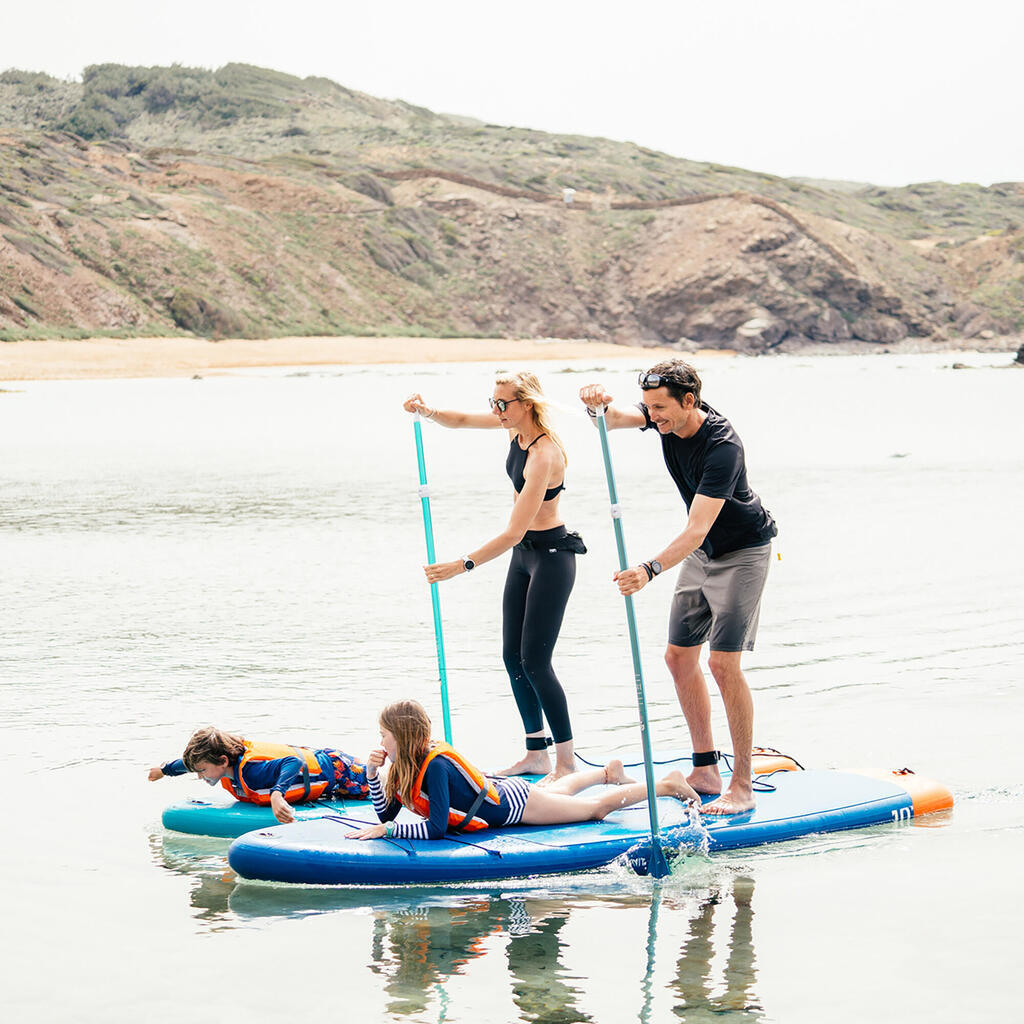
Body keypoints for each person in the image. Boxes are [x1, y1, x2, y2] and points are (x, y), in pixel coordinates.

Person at [579, 360, 777, 815]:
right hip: (702, 554)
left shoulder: (722, 446)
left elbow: (696, 528)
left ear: (690, 401)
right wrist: (596, 406)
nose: (655, 418)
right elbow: (612, 420)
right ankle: (705, 768)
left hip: (742, 553)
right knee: (677, 657)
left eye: (661, 409)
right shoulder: (665, 411)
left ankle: (742, 785)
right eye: (650, 408)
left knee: (724, 664)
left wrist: (648, 569)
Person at [403, 372, 584, 782]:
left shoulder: (544, 454)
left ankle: (567, 763)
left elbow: (514, 530)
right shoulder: (514, 432)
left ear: (527, 404)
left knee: (537, 662)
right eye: (494, 402)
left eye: (504, 404)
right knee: (511, 657)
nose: (496, 410)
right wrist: (427, 411)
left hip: (552, 557)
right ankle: (536, 753)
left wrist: (461, 564)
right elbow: (464, 421)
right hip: (524, 557)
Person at [346, 700, 699, 841]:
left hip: (516, 805)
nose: (380, 742)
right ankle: (607, 772)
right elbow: (386, 812)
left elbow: (437, 828)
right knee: (558, 793)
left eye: (384, 736)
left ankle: (666, 784)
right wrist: (372, 777)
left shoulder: (434, 766)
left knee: (596, 810)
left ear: (403, 737)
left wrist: (390, 833)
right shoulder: (401, 768)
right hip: (511, 795)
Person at [148, 726, 369, 823]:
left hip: (340, 771)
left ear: (223, 761)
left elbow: (293, 762)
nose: (199, 775)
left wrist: (276, 795)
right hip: (328, 767)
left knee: (381, 786)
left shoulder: (252, 772)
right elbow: (188, 764)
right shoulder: (223, 764)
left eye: (202, 770)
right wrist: (164, 771)